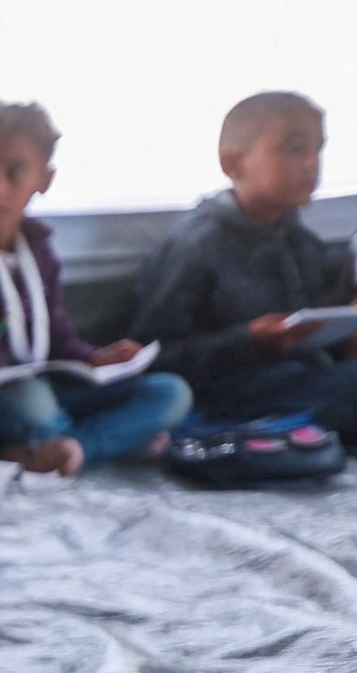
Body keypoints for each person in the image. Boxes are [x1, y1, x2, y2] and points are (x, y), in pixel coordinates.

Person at [0, 103, 192, 476]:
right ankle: (87, 441)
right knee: (31, 402)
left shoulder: (39, 252)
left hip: (43, 390)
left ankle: (67, 449)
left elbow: (56, 341)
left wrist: (97, 358)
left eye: (14, 173)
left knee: (170, 392)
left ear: (44, 180)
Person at [129, 92, 357, 433]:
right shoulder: (197, 245)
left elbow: (311, 318)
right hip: (229, 392)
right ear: (234, 165)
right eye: (295, 149)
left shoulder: (300, 240)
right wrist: (248, 341)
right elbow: (151, 357)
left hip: (302, 377)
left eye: (317, 148)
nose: (312, 163)